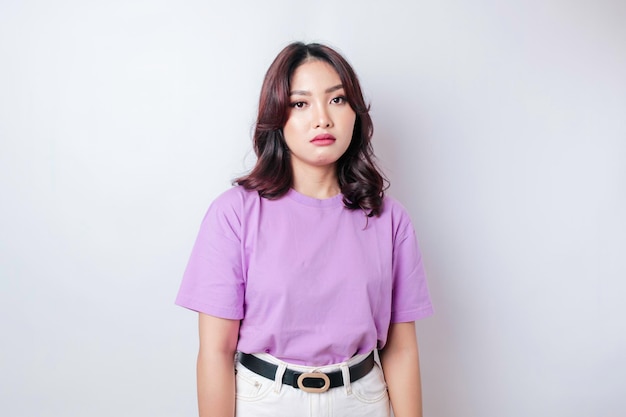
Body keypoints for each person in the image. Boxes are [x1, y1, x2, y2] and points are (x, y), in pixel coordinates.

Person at [175, 42, 433, 417]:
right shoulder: (234, 213)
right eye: (300, 103)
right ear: (277, 116)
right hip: (264, 401)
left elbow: (401, 348)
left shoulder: (388, 218)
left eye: (337, 100)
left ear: (355, 114)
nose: (322, 119)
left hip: (362, 401)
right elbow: (215, 351)